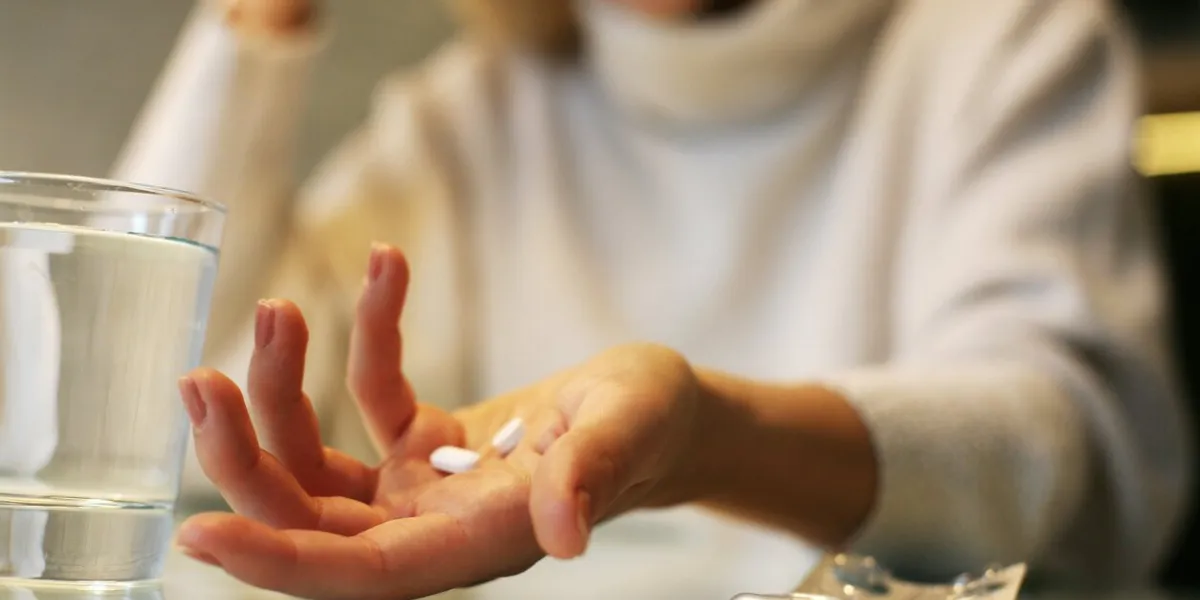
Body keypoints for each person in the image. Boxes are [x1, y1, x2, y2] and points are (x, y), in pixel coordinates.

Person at [114, 0, 1193, 598]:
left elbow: (1062, 449)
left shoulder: (1002, 37)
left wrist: (706, 438)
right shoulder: (476, 110)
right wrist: (252, 30)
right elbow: (155, 410)